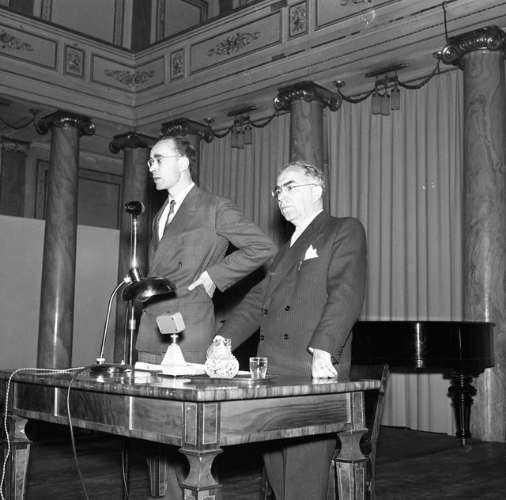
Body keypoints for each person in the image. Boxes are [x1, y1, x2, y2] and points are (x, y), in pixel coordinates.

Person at [218, 160, 367, 500]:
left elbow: (346, 293)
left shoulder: (343, 229)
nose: (281, 196)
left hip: (309, 370)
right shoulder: (284, 251)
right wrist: (222, 339)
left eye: (290, 187)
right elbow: (256, 303)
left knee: (302, 481)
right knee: (278, 477)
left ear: (316, 190)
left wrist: (324, 349)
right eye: (278, 190)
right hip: (272, 374)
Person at [135, 135, 275, 366]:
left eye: (158, 160)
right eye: (150, 162)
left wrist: (214, 275)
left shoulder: (214, 208)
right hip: (151, 332)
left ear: (183, 162)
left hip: (187, 331)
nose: (152, 168)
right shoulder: (160, 215)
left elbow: (262, 246)